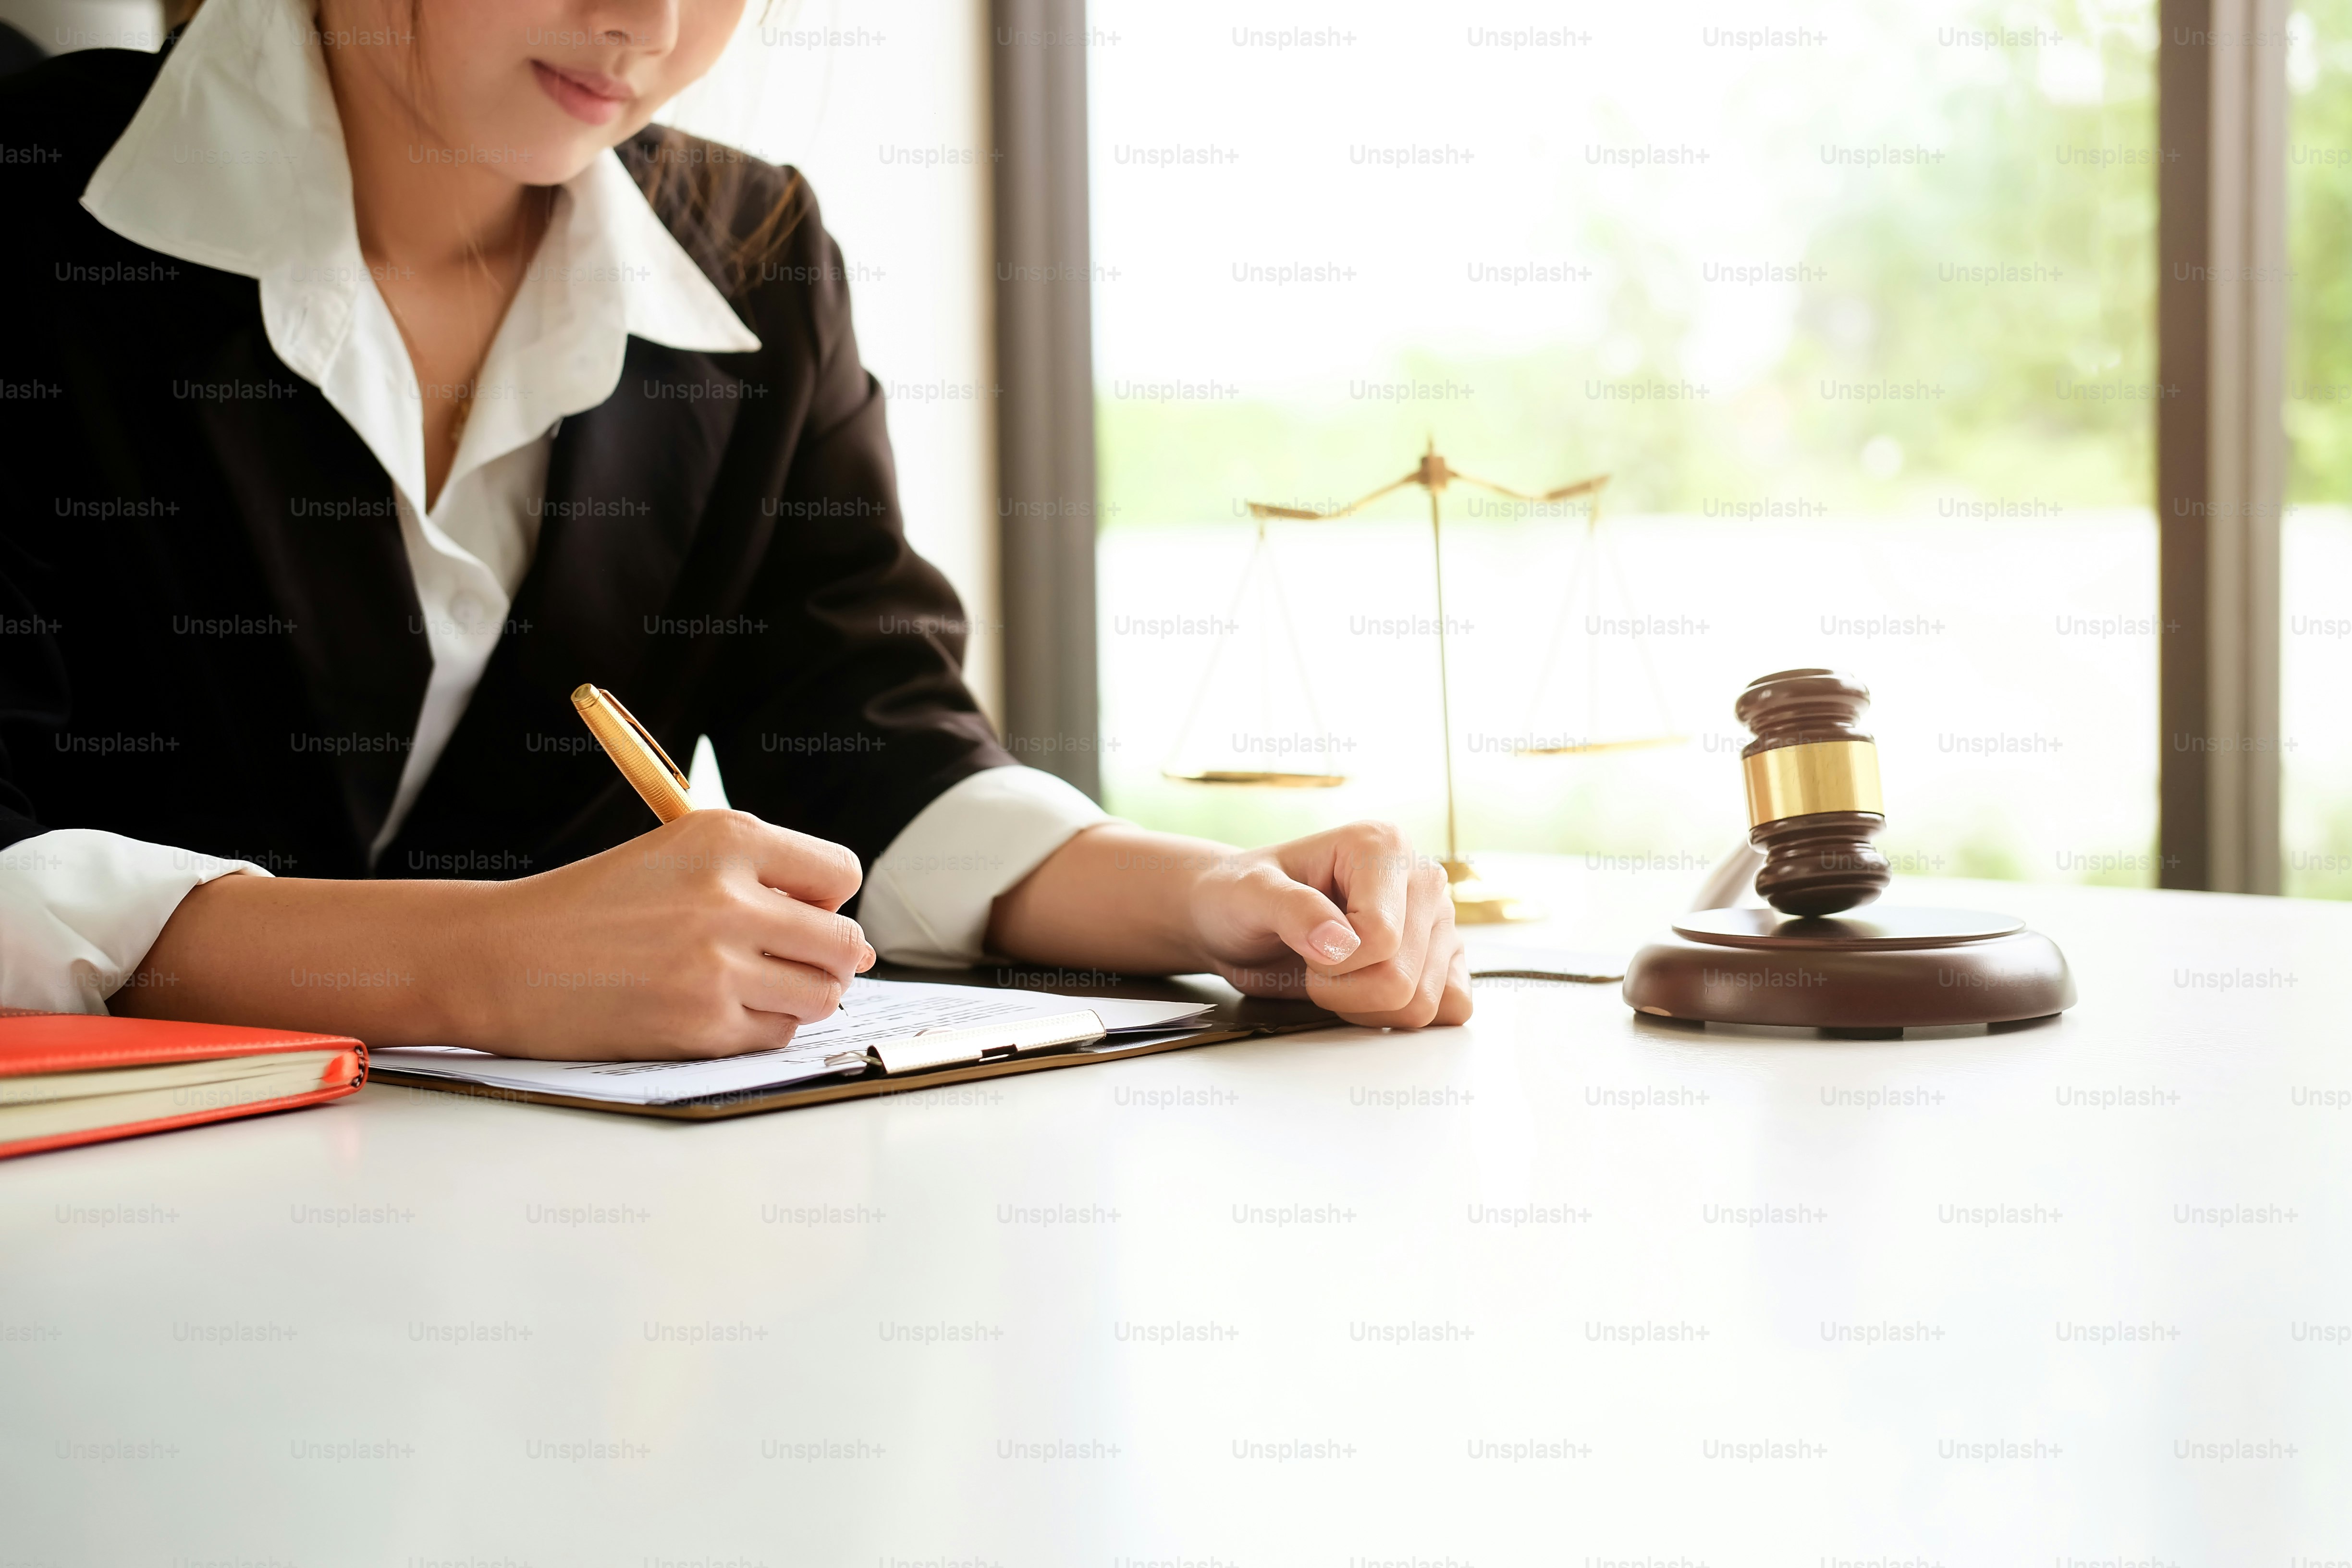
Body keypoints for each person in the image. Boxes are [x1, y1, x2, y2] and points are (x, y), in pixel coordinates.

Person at [0, 0, 1470, 1059]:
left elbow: (870, 744)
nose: (647, 22)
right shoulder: (34, 208)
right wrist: (474, 963)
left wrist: (1212, 897)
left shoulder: (753, 259)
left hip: (546, 1230)